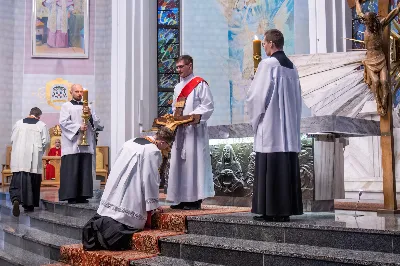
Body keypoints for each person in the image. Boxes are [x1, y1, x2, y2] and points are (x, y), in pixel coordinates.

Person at [82, 127, 174, 251]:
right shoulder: (153, 151)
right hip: (132, 189)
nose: (165, 149)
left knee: (112, 212)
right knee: (127, 218)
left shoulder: (131, 141)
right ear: (162, 142)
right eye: (167, 146)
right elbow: (150, 179)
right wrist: (153, 204)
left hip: (116, 185)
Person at [246, 29, 303, 222]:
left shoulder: (268, 64)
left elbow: (257, 97)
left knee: (270, 165)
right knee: (284, 165)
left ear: (271, 44)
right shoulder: (292, 67)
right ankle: (284, 211)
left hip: (271, 126)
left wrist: (255, 119)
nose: (263, 46)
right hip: (287, 128)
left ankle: (270, 210)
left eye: (264, 43)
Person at [167, 55, 215, 210]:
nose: (178, 70)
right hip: (181, 131)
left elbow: (207, 105)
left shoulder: (200, 84)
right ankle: (180, 198)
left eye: (181, 67)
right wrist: (174, 118)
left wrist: (193, 116)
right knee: (179, 164)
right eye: (177, 67)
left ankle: (194, 199)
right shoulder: (177, 88)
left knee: (194, 164)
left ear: (190, 66)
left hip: (194, 132)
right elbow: (175, 108)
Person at [355, 0, 400, 116]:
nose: (364, 20)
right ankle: (379, 103)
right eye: (364, 19)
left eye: (366, 19)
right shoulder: (366, 24)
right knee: (375, 81)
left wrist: (398, 8)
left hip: (380, 58)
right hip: (370, 60)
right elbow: (359, 12)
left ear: (371, 20)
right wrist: (356, 1)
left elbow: (392, 14)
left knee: (384, 82)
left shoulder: (380, 25)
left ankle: (384, 102)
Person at [59, 84, 101, 204]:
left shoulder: (88, 106)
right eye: (76, 91)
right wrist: (78, 127)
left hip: (86, 143)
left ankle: (84, 195)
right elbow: (63, 122)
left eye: (81, 92)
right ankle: (71, 195)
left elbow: (96, 123)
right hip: (72, 143)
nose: (79, 94)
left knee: (85, 169)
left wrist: (90, 118)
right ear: (71, 92)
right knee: (72, 169)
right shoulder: (66, 106)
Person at [10, 107, 50, 217]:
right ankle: (29, 205)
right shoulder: (41, 125)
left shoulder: (18, 123)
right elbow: (46, 141)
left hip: (19, 157)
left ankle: (16, 199)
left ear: (29, 114)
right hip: (33, 157)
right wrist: (40, 152)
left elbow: (12, 139)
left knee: (17, 178)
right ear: (38, 116)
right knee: (31, 179)